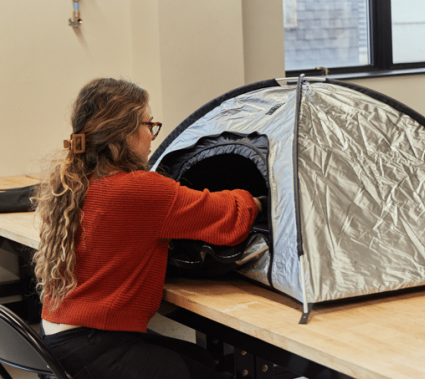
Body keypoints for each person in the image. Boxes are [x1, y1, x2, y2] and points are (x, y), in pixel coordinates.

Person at [33, 77, 262, 379]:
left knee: (200, 357)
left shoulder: (73, 180)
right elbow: (230, 217)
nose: (152, 136)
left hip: (58, 339)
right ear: (125, 132)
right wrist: (259, 201)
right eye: (149, 124)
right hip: (95, 346)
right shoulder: (139, 190)